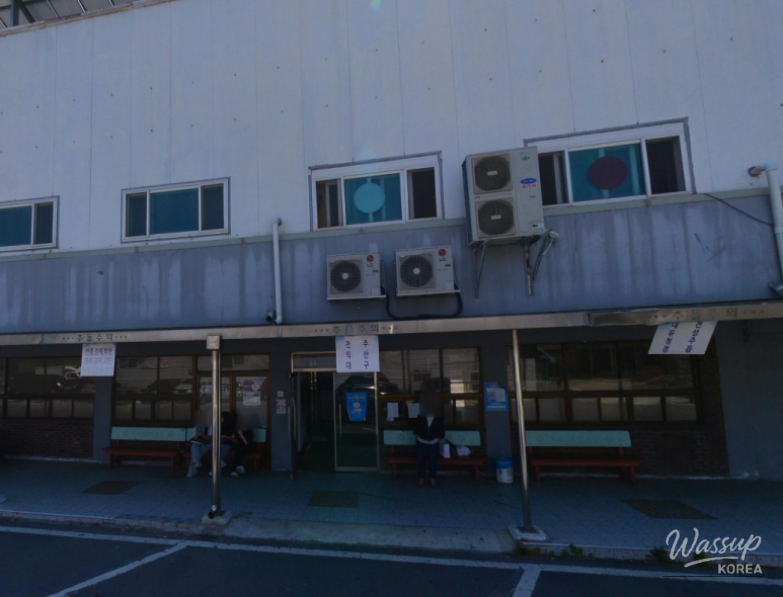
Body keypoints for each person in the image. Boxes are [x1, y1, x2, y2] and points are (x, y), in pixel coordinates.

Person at [414, 390, 445, 487]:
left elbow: (441, 428)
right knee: (421, 461)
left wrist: (439, 438)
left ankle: (432, 478)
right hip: (421, 441)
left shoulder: (438, 417)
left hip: (433, 442)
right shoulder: (421, 416)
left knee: (433, 462)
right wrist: (416, 435)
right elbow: (416, 426)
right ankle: (421, 478)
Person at [220, 412, 249, 478]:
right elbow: (234, 439)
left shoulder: (249, 432)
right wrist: (235, 439)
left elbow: (246, 443)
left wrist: (240, 434)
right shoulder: (222, 426)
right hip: (234, 445)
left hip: (243, 447)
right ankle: (237, 467)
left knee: (237, 452)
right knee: (235, 450)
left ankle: (235, 469)